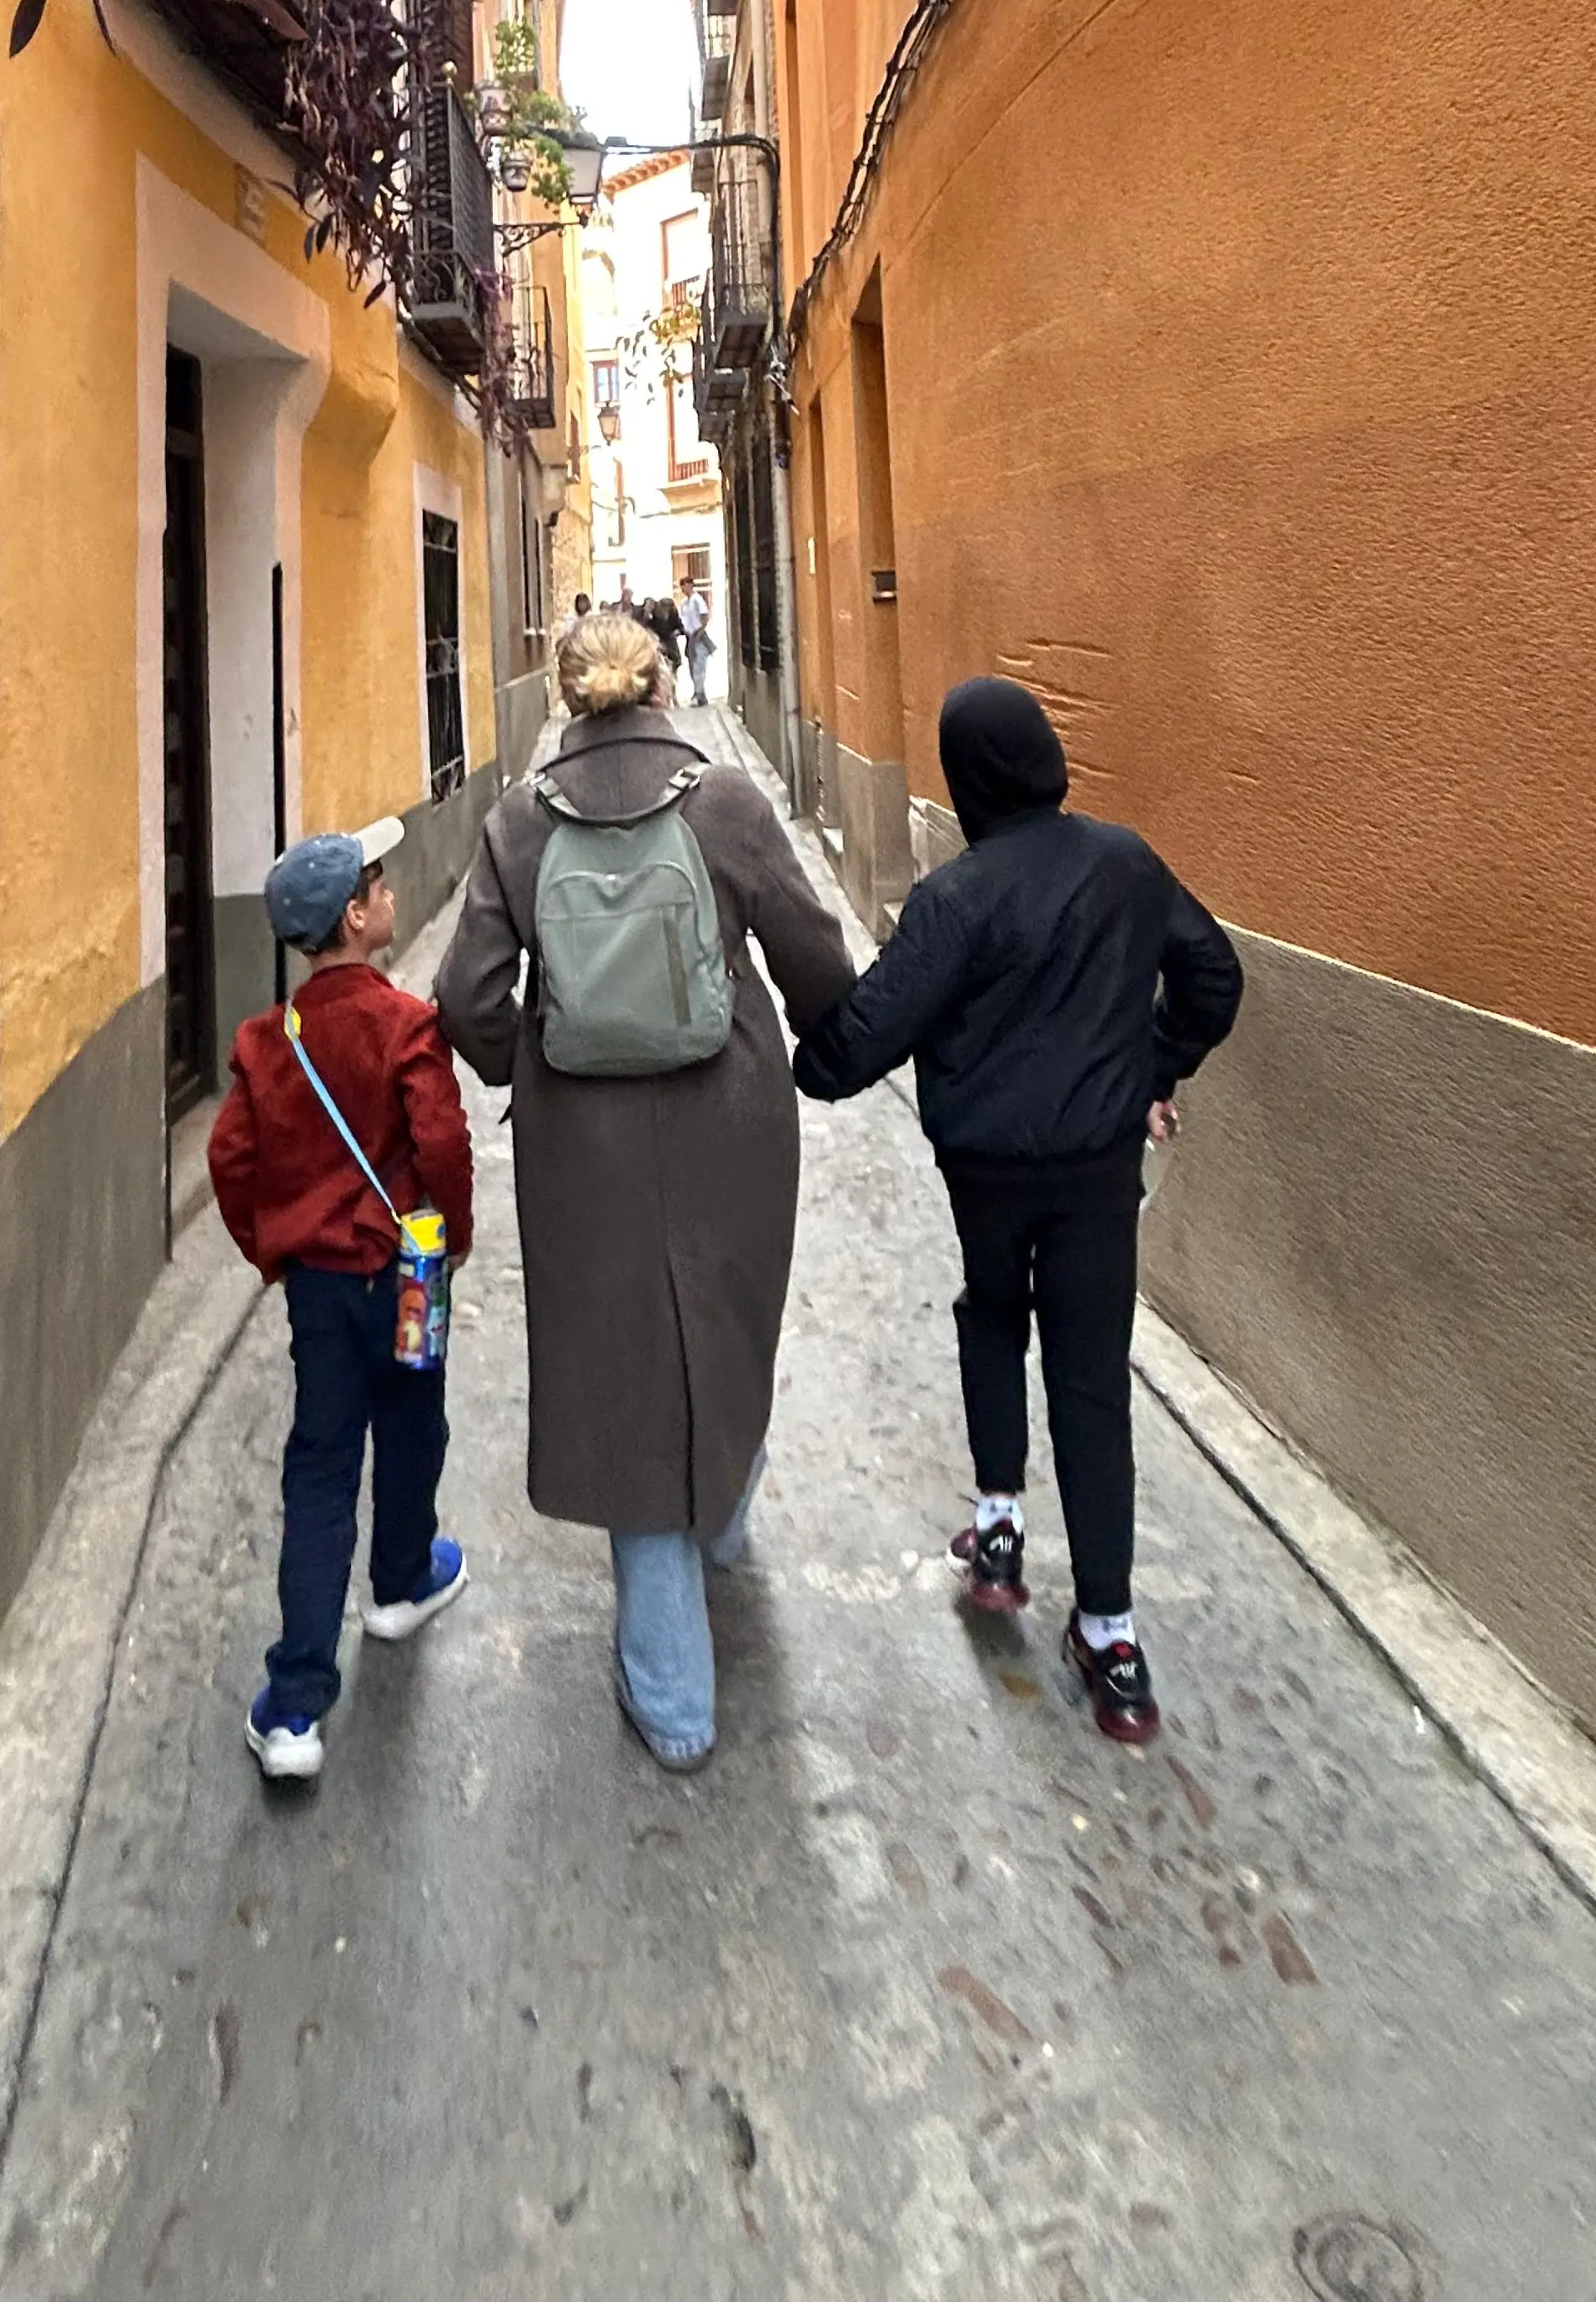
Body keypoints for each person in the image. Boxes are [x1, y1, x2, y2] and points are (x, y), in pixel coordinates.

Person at [434, 612, 852, 1769]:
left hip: (583, 1147)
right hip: (732, 1126)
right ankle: (722, 1512)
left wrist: (526, 1063)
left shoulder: (519, 824)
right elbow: (818, 962)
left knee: (618, 1371)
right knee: (729, 1319)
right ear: (662, 683)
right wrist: (824, 1036)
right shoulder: (725, 805)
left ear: (567, 697)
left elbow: (466, 996)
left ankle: (673, 1700)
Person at [792, 678, 1242, 1747]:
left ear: (966, 780)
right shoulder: (1126, 863)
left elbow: (860, 1041)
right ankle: (1112, 1637)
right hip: (1099, 1171)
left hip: (987, 1174)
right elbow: (1214, 977)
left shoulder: (956, 899)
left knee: (991, 1314)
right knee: (1092, 1381)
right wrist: (1153, 1069)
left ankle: (999, 1530)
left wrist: (800, 1054)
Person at [209, 815, 474, 1783]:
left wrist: (273, 1250)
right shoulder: (407, 1026)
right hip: (407, 1274)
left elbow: (230, 1161)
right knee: (414, 1423)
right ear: (355, 918)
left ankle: (294, 1705)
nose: (391, 893)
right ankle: (401, 1583)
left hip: (319, 1290)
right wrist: (453, 1234)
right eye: (379, 884)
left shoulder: (266, 1041)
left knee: (320, 1470)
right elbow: (441, 1142)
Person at [678, 579, 715, 707]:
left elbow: (704, 617)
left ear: (691, 585)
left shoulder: (697, 599)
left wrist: (700, 632)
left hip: (698, 635)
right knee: (692, 667)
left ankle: (699, 695)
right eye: (682, 586)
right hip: (690, 637)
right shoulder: (684, 603)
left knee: (699, 667)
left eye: (685, 585)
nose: (683, 589)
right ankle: (699, 694)